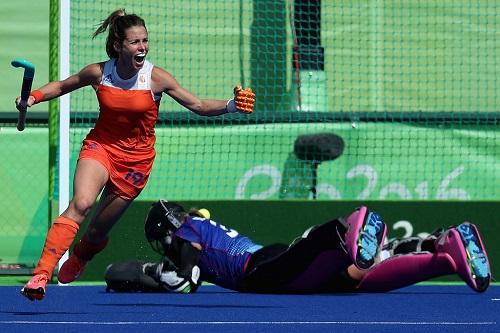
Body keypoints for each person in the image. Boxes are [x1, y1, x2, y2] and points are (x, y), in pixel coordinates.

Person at [16, 9, 255, 301]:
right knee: (81, 203)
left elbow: (199, 104)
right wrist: (33, 97)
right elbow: (64, 85)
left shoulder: (157, 79)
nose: (142, 47)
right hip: (101, 147)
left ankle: (80, 256)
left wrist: (232, 104)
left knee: (95, 233)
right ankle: (41, 275)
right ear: (119, 45)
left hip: (136, 163)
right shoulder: (99, 72)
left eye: (145, 41)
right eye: (135, 42)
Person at [104, 200, 491, 294]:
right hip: (265, 260)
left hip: (256, 270)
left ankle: (343, 228)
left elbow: (186, 281)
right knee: (355, 278)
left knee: (313, 253)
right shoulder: (199, 223)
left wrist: (146, 276)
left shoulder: (188, 231)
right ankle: (444, 254)